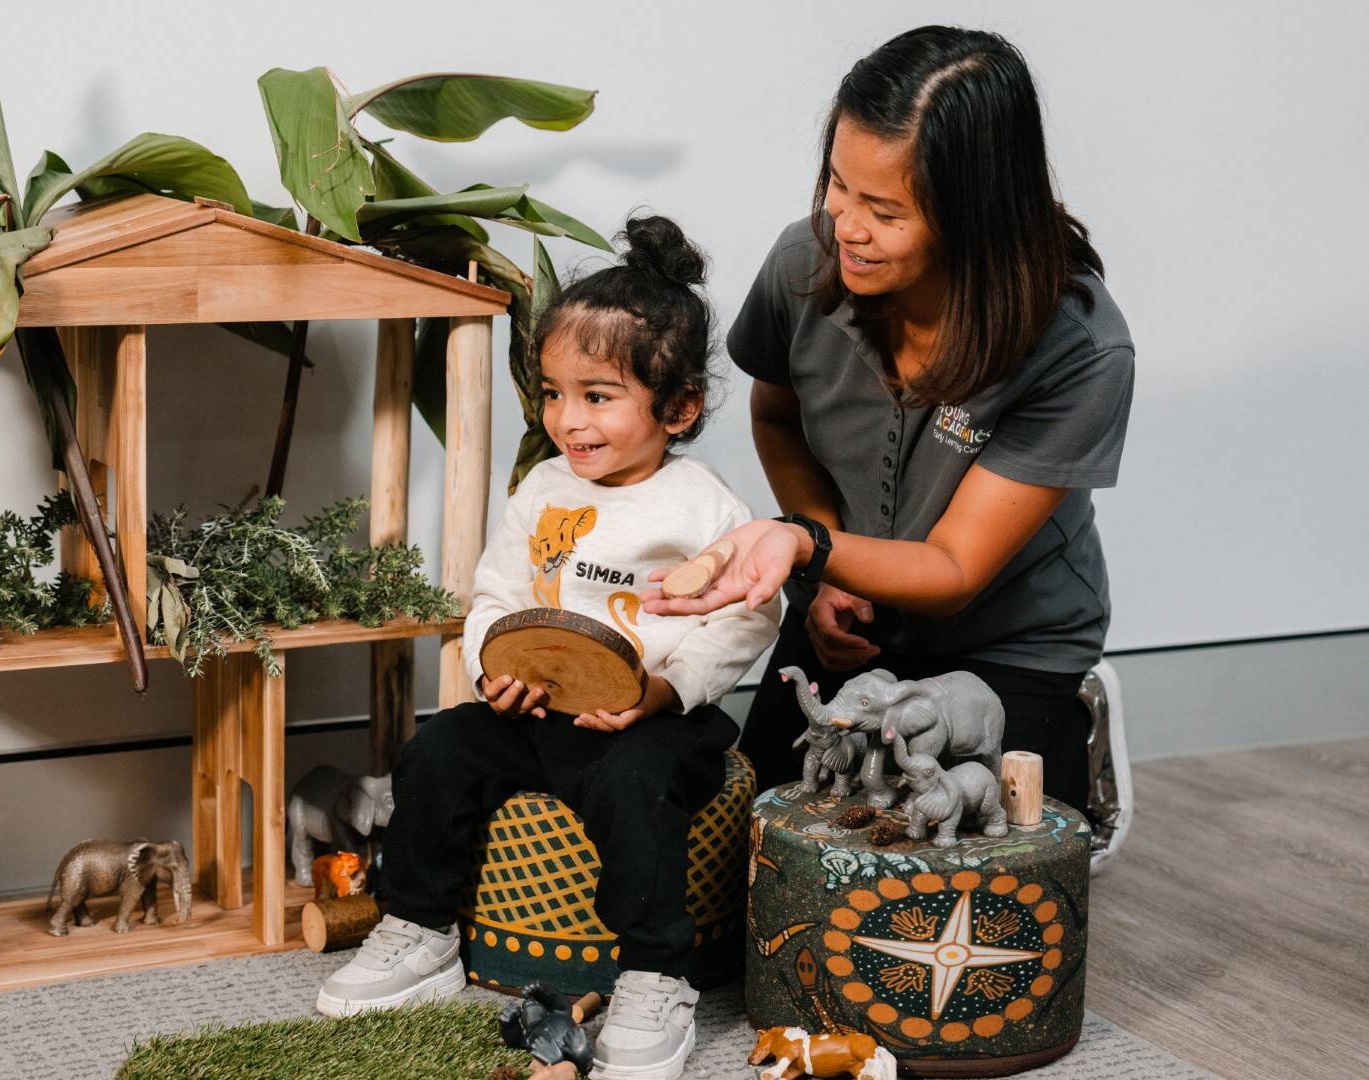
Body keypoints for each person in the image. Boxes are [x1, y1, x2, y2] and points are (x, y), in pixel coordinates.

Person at [315, 216, 780, 1080]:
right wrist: (495, 671)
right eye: (553, 392)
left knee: (636, 789)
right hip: (539, 714)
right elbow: (497, 594)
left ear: (678, 408)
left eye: (597, 396)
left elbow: (748, 616)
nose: (568, 419)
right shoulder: (544, 486)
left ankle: (657, 974)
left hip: (653, 722)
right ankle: (419, 926)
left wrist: (668, 690)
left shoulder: (702, 504)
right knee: (437, 751)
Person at [643, 26, 1135, 815]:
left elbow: (954, 568)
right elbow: (778, 416)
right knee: (757, 840)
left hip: (1007, 645)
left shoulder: (1077, 344)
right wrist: (824, 578)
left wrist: (807, 546)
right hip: (851, 618)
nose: (846, 225)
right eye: (839, 185)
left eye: (885, 210)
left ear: (977, 215)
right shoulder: (804, 265)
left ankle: (1074, 728)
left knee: (954, 855)